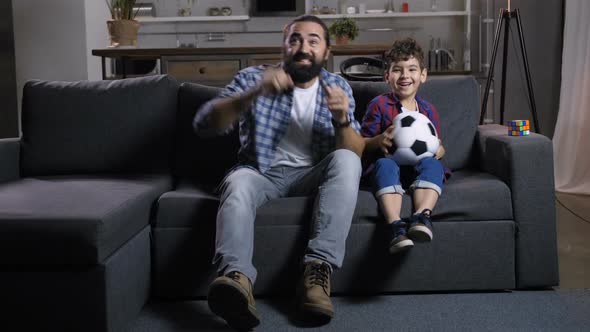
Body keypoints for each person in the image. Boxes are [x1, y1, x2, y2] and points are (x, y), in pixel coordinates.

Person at [193, 15, 365, 330]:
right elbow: (204, 124)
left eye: (314, 41)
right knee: (238, 181)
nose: (304, 47)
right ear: (284, 46)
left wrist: (341, 118)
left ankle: (317, 273)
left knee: (347, 161)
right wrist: (254, 94)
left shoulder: (339, 86)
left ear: (326, 52)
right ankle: (237, 280)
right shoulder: (253, 77)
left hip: (314, 175)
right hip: (262, 173)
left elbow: (354, 152)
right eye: (295, 39)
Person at [360, 37, 447, 255]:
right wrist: (378, 142)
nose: (405, 75)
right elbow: (363, 144)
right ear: (387, 76)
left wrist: (439, 149)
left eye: (412, 69)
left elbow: (436, 143)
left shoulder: (428, 111)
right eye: (397, 70)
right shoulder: (379, 104)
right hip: (390, 167)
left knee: (434, 165)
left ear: (423, 75)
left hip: (417, 170)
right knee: (384, 165)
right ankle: (395, 226)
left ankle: (421, 217)